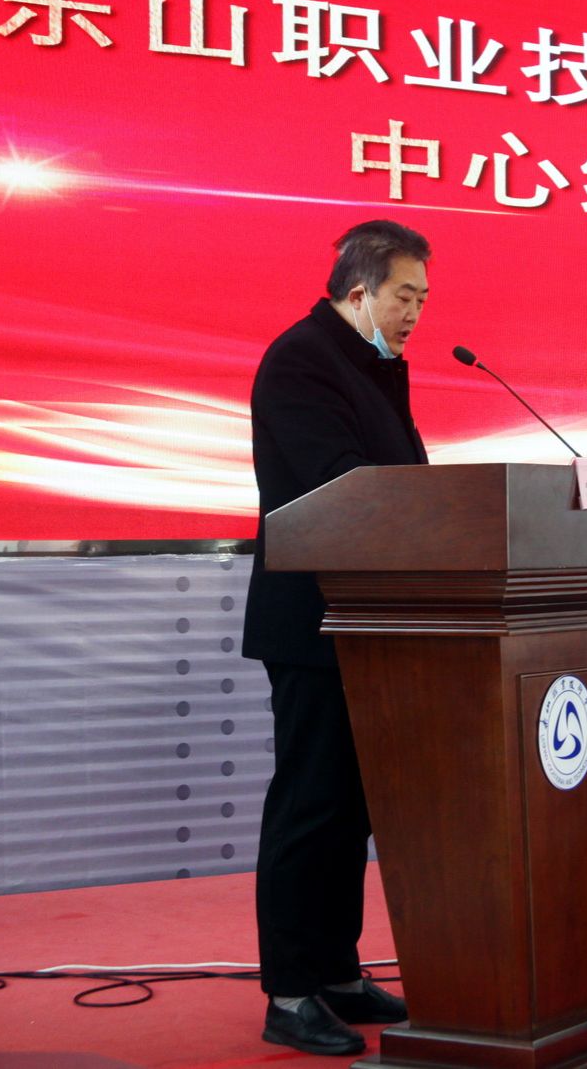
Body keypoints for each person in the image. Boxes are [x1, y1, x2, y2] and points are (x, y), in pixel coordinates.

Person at [242, 219, 430, 1056]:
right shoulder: (301, 359)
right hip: (314, 620)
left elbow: (407, 482)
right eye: (404, 296)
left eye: (422, 298)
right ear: (359, 291)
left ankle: (336, 969)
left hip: (373, 618)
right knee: (310, 804)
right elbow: (340, 487)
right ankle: (290, 991)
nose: (415, 313)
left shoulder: (372, 366)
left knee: (353, 808)